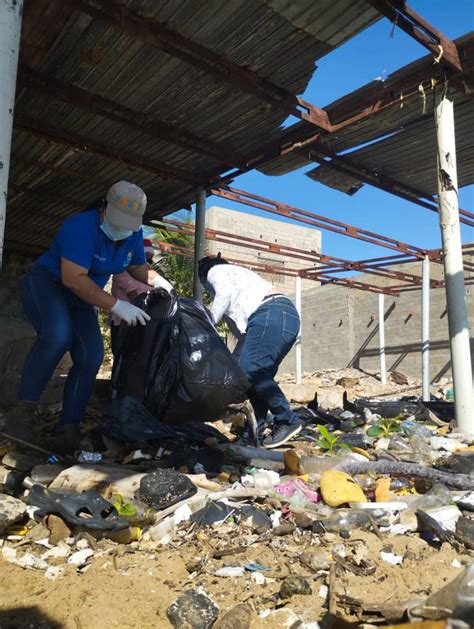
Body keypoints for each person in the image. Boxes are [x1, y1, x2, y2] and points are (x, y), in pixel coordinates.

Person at [6, 181, 172, 452]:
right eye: (117, 221)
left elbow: (137, 265)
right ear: (104, 207)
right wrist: (118, 306)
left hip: (83, 296)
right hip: (49, 284)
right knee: (58, 336)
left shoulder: (132, 233)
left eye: (128, 225)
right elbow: (73, 278)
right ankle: (22, 410)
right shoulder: (80, 226)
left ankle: (68, 427)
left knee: (92, 355)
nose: (121, 231)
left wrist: (160, 281)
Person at [198, 254, 302, 448]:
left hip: (270, 312)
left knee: (252, 369)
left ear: (202, 277)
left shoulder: (216, 271)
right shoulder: (242, 285)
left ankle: (288, 420)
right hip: (285, 318)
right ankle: (255, 433)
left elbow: (223, 295)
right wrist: (234, 370)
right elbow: (244, 339)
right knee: (252, 377)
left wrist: (205, 327)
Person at [109, 238, 156, 356]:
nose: (148, 259)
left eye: (149, 256)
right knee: (122, 353)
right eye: (145, 255)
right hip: (123, 321)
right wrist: (141, 303)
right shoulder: (122, 270)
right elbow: (130, 289)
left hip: (142, 319)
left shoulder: (149, 273)